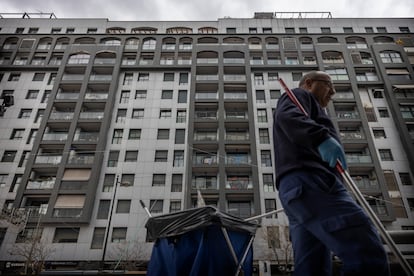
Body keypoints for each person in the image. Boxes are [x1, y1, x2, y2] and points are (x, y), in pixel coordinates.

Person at [272, 71, 390, 275]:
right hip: (313, 182)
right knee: (365, 248)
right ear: (309, 83)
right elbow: (287, 116)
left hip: (297, 193)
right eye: (329, 84)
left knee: (312, 267)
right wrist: (320, 138)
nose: (333, 92)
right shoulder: (301, 95)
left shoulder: (313, 105)